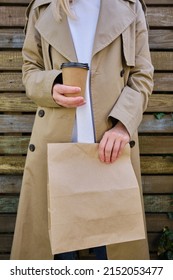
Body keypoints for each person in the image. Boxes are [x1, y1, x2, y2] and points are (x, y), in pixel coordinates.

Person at [11, 0, 154, 260]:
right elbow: (30, 69)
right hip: (57, 156)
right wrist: (51, 86)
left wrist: (123, 125)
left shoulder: (129, 6)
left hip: (110, 153)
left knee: (113, 261)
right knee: (57, 261)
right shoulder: (43, 7)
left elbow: (143, 75)